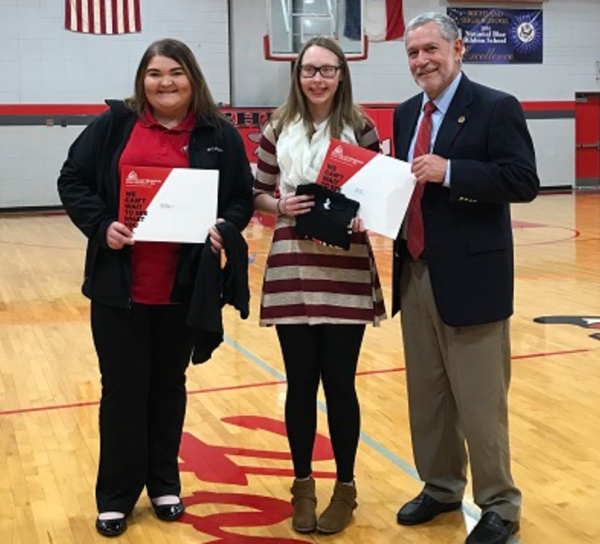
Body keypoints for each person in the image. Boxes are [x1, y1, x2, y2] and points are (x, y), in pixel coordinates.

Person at [57, 39, 253, 537]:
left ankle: (165, 482)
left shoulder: (218, 134)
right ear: (141, 79)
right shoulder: (116, 124)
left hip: (183, 290)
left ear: (193, 78)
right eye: (154, 73)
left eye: (176, 73)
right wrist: (102, 226)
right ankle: (116, 496)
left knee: (169, 387)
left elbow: (238, 200)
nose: (165, 82)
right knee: (123, 391)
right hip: (119, 288)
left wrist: (223, 228)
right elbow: (72, 178)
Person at [391, 12, 539, 544]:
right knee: (426, 396)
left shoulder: (497, 107)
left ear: (458, 48)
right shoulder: (407, 114)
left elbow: (523, 181)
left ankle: (500, 504)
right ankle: (440, 487)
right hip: (414, 272)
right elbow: (402, 187)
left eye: (430, 49)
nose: (421, 61)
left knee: (480, 403)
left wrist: (451, 172)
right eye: (412, 53)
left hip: (473, 279)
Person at [253, 36, 386, 535]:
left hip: (345, 267)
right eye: (309, 69)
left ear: (341, 75)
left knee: (340, 383)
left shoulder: (361, 128)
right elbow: (257, 192)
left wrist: (362, 217)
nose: (318, 78)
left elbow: (379, 195)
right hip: (293, 266)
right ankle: (302, 486)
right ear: (297, 74)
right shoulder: (276, 126)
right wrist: (278, 206)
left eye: (327, 70)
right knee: (300, 386)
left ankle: (346, 489)